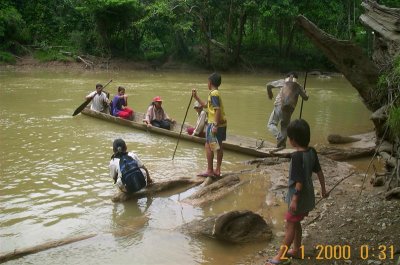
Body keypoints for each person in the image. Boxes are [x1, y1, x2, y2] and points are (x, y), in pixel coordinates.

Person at [265, 119, 328, 265]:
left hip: (298, 198)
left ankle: (280, 257)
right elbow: (319, 171)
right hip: (308, 196)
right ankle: (297, 249)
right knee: (296, 221)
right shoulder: (312, 151)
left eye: (288, 137)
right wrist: (324, 189)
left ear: (292, 140)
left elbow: (298, 182)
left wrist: (294, 199)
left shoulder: (296, 157)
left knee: (290, 225)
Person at [192, 72, 227, 177]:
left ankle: (210, 171)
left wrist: (215, 125)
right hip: (222, 123)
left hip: (214, 124)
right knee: (218, 146)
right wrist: (196, 97)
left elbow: (217, 110)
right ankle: (217, 170)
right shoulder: (215, 93)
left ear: (210, 82)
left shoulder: (213, 94)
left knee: (209, 146)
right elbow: (206, 106)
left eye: (207, 82)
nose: (207, 83)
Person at [266, 72, 308, 148]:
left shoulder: (283, 81)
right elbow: (306, 98)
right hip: (289, 109)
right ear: (296, 79)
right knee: (284, 127)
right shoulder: (298, 86)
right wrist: (304, 91)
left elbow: (268, 85)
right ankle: (282, 145)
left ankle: (279, 137)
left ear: (287, 77)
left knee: (271, 124)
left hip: (279, 105)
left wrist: (270, 93)